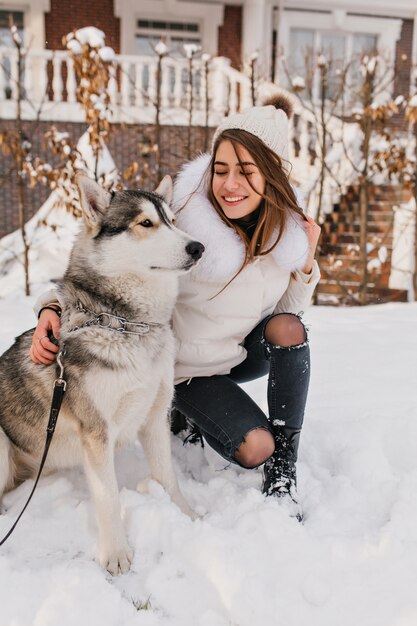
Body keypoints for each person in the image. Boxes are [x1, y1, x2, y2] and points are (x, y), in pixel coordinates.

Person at [30, 93, 321, 508]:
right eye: (220, 170)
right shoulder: (181, 222)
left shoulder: (284, 235)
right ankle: (181, 413)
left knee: (289, 328)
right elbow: (101, 267)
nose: (230, 184)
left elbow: (286, 313)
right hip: (182, 369)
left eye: (246, 171)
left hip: (235, 356)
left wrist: (305, 261)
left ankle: (285, 466)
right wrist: (51, 307)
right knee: (256, 448)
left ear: (272, 176)